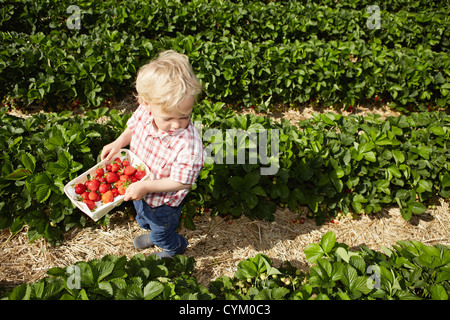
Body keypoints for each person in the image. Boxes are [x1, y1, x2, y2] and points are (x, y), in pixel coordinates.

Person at [101, 50, 205, 259]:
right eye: (168, 118)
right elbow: (133, 127)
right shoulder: (145, 112)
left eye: (184, 116)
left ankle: (173, 246)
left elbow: (182, 182)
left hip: (163, 201)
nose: (176, 124)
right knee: (142, 218)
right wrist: (119, 142)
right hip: (139, 184)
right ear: (145, 103)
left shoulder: (190, 145)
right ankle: (154, 233)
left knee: (161, 226)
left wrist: (147, 186)